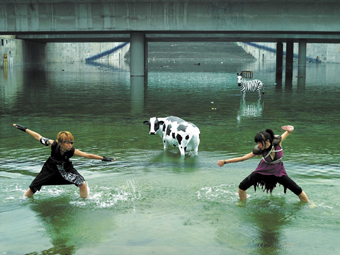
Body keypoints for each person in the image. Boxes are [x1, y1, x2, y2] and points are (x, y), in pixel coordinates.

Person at [13, 124, 115, 198]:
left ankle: (84, 202)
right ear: (60, 143)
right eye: (68, 143)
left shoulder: (72, 151)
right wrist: (25, 129)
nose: (70, 145)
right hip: (50, 168)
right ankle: (24, 200)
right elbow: (38, 137)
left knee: (82, 184)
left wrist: (103, 158)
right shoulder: (53, 144)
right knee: (33, 187)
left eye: (71, 142)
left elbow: (87, 155)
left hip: (66, 168)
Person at [217, 125, 309, 202]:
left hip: (278, 171)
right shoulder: (259, 150)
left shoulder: (277, 142)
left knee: (297, 189)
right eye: (257, 143)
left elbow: (288, 132)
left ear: (267, 141)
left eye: (260, 143)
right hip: (263, 170)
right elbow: (243, 158)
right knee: (242, 186)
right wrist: (225, 162)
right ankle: (242, 203)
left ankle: (307, 204)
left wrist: (290, 129)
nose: (258, 145)